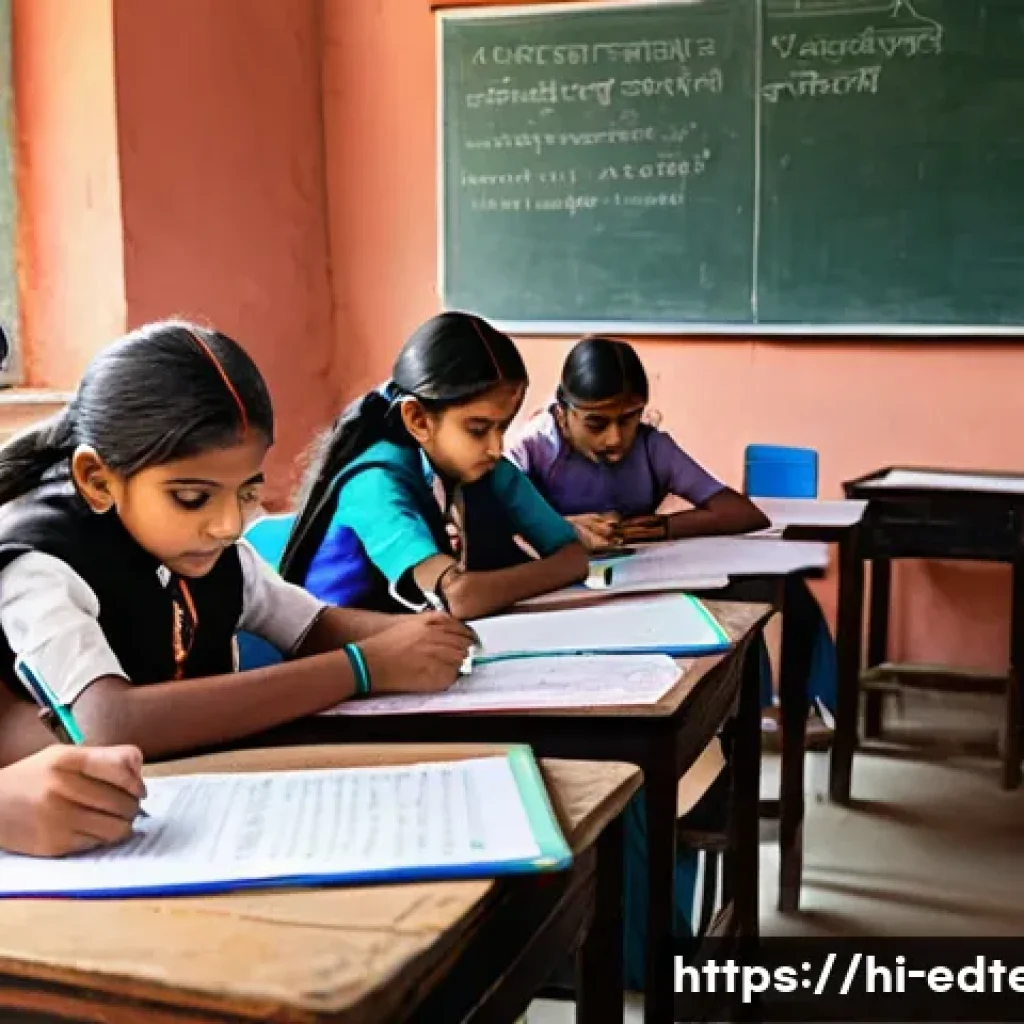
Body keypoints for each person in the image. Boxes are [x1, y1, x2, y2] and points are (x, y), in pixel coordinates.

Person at [0, 321, 474, 762]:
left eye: (246, 492)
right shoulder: (41, 566)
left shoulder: (213, 552)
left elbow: (311, 627)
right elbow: (107, 723)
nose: (228, 525)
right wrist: (360, 668)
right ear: (98, 480)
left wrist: (422, 639)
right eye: (191, 497)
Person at [279, 311, 588, 617]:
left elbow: (572, 552)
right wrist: (557, 569)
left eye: (503, 427)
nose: (497, 448)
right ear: (418, 420)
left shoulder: (479, 463)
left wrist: (561, 565)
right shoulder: (375, 484)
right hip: (342, 652)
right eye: (478, 429)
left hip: (409, 639)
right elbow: (459, 596)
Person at [507, 335, 769, 550]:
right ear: (563, 415)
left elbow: (744, 514)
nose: (615, 439)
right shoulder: (535, 447)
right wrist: (561, 528)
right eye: (596, 424)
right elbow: (483, 520)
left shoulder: (651, 449)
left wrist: (664, 527)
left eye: (628, 419)